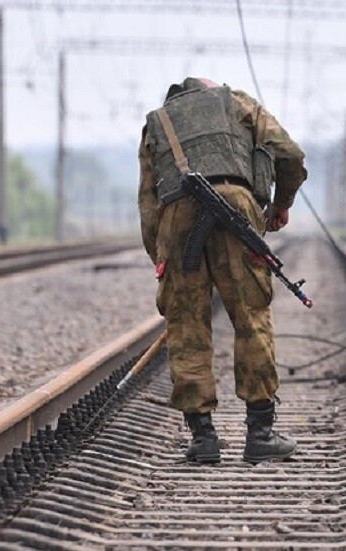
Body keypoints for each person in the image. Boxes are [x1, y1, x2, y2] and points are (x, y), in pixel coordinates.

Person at [137, 77, 308, 464]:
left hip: (176, 215)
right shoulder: (238, 103)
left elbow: (148, 202)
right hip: (236, 207)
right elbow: (291, 156)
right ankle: (260, 434)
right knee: (251, 316)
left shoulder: (156, 124)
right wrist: (281, 204)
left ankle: (203, 439)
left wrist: (162, 262)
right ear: (209, 90)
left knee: (186, 324)